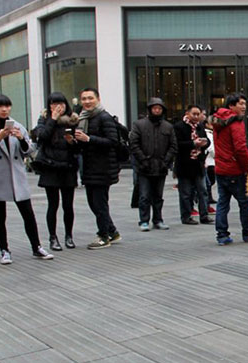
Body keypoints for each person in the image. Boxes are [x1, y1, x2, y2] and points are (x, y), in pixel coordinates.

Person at [0, 94, 54, 263]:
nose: (4, 109)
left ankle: (37, 247)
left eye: (7, 106)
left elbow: (29, 150)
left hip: (16, 175)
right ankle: (4, 250)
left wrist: (20, 138)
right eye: (0, 106)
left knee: (28, 213)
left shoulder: (17, 125)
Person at [75, 88, 121, 250]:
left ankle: (103, 236)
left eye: (90, 98)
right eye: (84, 98)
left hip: (103, 168)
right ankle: (112, 231)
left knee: (99, 204)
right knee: (93, 203)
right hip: (89, 167)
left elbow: (112, 141)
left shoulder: (104, 117)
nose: (87, 101)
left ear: (98, 99)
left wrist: (89, 139)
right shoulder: (83, 118)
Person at [212, 94, 248, 245]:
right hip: (234, 169)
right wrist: (247, 167)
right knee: (244, 202)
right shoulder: (235, 123)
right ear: (231, 106)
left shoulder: (218, 121)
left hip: (221, 168)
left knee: (222, 202)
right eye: (240, 103)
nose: (244, 107)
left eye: (245, 103)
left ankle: (221, 235)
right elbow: (240, 148)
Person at [34, 92, 80, 250]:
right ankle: (53, 238)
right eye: (53, 104)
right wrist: (52, 119)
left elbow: (79, 147)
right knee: (52, 205)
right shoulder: (44, 119)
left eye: (61, 103)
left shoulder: (73, 120)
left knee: (68, 205)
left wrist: (72, 142)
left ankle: (69, 236)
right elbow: (41, 137)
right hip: (50, 167)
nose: (58, 107)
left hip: (68, 167)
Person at [129, 97, 177, 231]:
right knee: (144, 195)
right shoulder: (139, 124)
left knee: (158, 196)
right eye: (154, 108)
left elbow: (173, 146)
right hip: (144, 167)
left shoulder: (168, 126)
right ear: (150, 109)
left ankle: (158, 219)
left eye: (159, 108)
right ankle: (144, 220)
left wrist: (166, 161)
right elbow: (134, 144)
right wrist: (143, 160)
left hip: (160, 166)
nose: (157, 110)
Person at [174, 104, 211, 225]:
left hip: (198, 164)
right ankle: (186, 216)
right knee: (186, 193)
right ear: (187, 114)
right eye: (193, 114)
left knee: (203, 191)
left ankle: (204, 215)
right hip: (184, 164)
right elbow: (177, 144)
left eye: (198, 114)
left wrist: (204, 143)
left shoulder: (200, 126)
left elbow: (207, 141)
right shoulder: (179, 127)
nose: (196, 116)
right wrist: (193, 143)